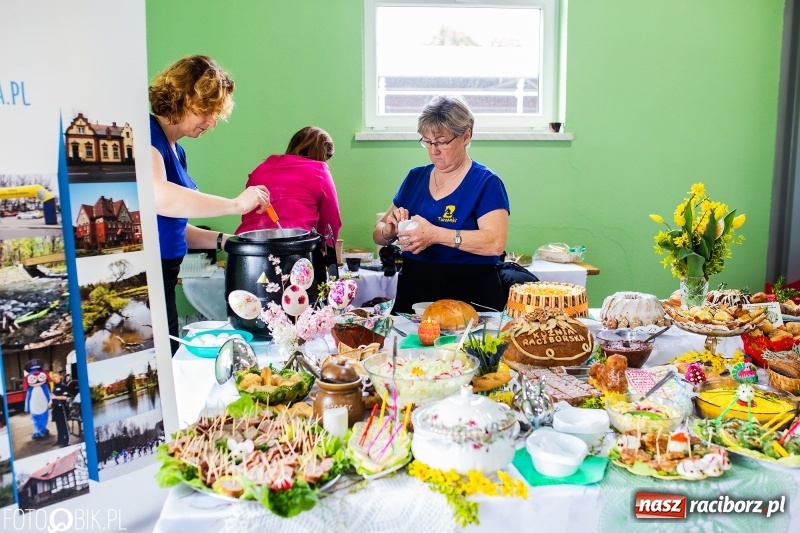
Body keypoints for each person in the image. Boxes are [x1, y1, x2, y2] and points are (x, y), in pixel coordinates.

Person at [149, 55, 271, 354]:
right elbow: (159, 197)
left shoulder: (177, 151)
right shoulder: (146, 134)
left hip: (167, 271)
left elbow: (173, 224)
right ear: (179, 97)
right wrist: (235, 205)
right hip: (149, 277)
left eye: (216, 113)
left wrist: (225, 241)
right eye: (206, 111)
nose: (212, 121)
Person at [372, 95, 510, 314]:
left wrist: (436, 235)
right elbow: (378, 232)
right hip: (415, 290)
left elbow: (494, 243)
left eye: (442, 141)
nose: (433, 149)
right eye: (427, 141)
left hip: (470, 294)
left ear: (466, 135)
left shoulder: (486, 182)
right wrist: (389, 231)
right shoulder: (415, 178)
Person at [235, 126, 342, 240]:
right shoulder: (319, 170)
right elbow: (331, 220)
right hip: (294, 245)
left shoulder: (261, 168)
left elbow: (247, 212)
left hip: (245, 245)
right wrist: (327, 250)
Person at [50, 370, 70, 448]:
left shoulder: (63, 386)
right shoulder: (55, 387)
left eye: (55, 377)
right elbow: (53, 397)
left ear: (60, 377)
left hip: (62, 408)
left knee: (64, 425)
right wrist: (51, 403)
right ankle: (60, 440)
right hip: (55, 409)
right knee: (58, 426)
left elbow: (65, 397)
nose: (54, 378)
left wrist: (55, 397)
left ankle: (67, 441)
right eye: (53, 377)